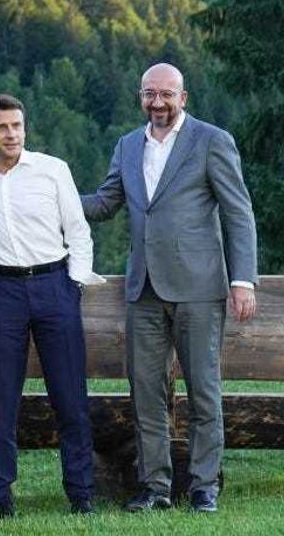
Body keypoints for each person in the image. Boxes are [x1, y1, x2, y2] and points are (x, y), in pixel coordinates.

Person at [80, 63, 257, 514]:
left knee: (203, 390)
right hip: (143, 290)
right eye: (149, 94)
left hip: (199, 288)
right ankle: (154, 486)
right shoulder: (127, 145)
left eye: (166, 95)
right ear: (140, 96)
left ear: (184, 97)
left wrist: (242, 280)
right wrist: (47, 193)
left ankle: (203, 487)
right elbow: (104, 203)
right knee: (145, 392)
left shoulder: (211, 140)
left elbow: (238, 213)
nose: (157, 103)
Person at [0, 94, 103, 518]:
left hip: (55, 286)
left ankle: (81, 493)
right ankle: (0, 497)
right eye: (2, 127)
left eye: (17, 125)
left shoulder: (53, 170)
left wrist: (73, 286)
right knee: (0, 399)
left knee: (69, 395)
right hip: (1, 290)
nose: (12, 133)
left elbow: (78, 230)